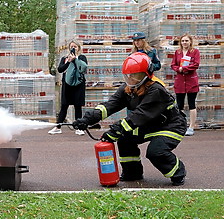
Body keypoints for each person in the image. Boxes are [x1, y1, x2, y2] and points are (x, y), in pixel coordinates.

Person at [72, 52, 187, 186]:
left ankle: (178, 172)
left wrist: (115, 131)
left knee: (155, 152)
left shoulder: (156, 90)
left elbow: (139, 115)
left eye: (135, 75)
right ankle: (132, 173)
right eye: (128, 75)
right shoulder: (128, 89)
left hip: (170, 126)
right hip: (149, 124)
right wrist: (86, 120)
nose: (131, 78)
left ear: (146, 74)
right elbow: (109, 106)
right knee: (125, 139)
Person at [48, 40, 88, 135]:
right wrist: (68, 61)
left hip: (78, 84)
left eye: (75, 47)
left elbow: (83, 68)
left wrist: (75, 59)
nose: (73, 48)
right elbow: (60, 69)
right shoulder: (64, 58)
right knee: (64, 106)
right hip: (67, 84)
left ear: (78, 48)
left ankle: (79, 128)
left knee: (77, 106)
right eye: (71, 47)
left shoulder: (82, 57)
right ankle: (58, 126)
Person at [170, 33, 200, 136]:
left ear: (190, 42)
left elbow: (196, 64)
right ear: (180, 42)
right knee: (180, 104)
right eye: (183, 41)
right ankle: (181, 126)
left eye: (186, 41)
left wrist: (185, 68)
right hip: (180, 81)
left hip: (191, 81)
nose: (184, 43)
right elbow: (173, 64)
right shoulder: (177, 52)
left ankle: (191, 126)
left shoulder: (195, 52)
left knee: (192, 104)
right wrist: (178, 69)